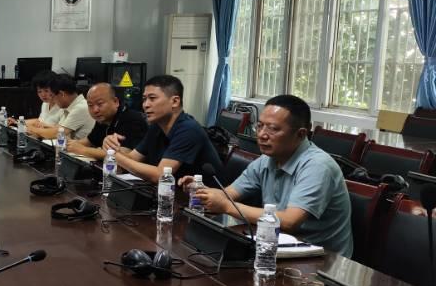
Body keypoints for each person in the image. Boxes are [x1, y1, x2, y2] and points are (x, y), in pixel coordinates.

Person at [184, 95, 353, 257]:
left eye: (273, 129)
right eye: (259, 126)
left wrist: (227, 206)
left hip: (322, 260)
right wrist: (202, 192)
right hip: (275, 247)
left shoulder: (317, 166)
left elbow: (289, 221)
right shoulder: (267, 160)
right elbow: (228, 195)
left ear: (301, 134)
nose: (262, 135)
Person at [107, 75, 223, 183]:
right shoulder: (157, 126)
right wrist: (110, 147)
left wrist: (114, 156)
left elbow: (161, 175)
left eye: (152, 98)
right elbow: (133, 158)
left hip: (202, 196)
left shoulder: (189, 129)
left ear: (175, 101)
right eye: (144, 99)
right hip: (170, 192)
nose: (145, 105)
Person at [66, 82, 149, 160]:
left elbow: (127, 154)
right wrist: (68, 145)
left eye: (100, 104)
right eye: (90, 105)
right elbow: (89, 141)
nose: (95, 110)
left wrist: (83, 150)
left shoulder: (132, 119)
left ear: (115, 102)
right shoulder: (102, 119)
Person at [24, 73, 95, 140]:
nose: (52, 99)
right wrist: (44, 126)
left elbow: (57, 133)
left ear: (62, 94)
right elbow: (58, 128)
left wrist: (31, 128)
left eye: (52, 96)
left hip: (77, 148)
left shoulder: (80, 107)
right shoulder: (70, 106)